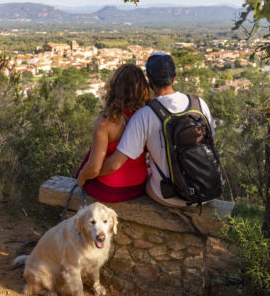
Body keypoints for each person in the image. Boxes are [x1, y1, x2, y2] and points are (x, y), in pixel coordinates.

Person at [99, 52, 215, 207]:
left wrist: (93, 172)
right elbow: (212, 143)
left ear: (149, 80)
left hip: (172, 196)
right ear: (175, 77)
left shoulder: (145, 115)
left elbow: (114, 164)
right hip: (206, 192)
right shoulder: (199, 104)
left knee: (146, 180)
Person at [75, 64, 152, 202]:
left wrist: (81, 177)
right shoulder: (147, 116)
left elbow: (94, 168)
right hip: (139, 186)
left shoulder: (106, 121)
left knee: (92, 155)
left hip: (110, 189)